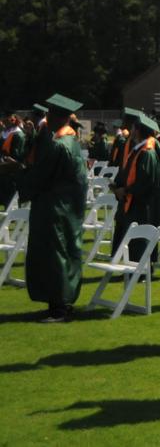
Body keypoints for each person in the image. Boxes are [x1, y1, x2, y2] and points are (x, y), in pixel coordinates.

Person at [16, 94, 87, 323]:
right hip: (64, 207)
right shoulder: (70, 141)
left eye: (49, 114)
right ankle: (58, 303)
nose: (46, 117)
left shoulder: (60, 146)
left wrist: (17, 171)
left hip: (54, 209)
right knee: (61, 253)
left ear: (57, 117)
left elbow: (40, 175)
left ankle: (60, 308)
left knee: (55, 255)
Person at [111, 112, 160, 264]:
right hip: (134, 203)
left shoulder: (146, 153)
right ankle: (133, 269)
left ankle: (140, 272)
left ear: (138, 131)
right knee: (132, 238)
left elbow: (143, 182)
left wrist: (125, 191)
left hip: (141, 205)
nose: (131, 130)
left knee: (139, 241)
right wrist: (117, 186)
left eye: (133, 128)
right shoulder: (139, 150)